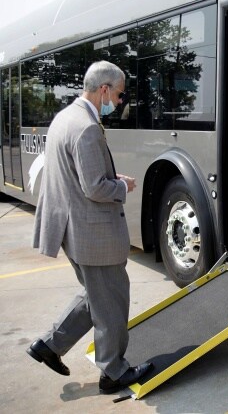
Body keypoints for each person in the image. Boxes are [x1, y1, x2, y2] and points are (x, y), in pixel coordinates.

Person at [26, 60, 152, 394]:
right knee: (111, 301)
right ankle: (113, 372)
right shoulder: (87, 127)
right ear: (104, 89)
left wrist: (112, 179)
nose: (119, 102)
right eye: (119, 95)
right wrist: (122, 187)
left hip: (71, 228)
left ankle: (49, 346)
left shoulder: (64, 118)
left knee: (96, 295)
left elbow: (77, 177)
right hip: (92, 231)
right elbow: (95, 188)